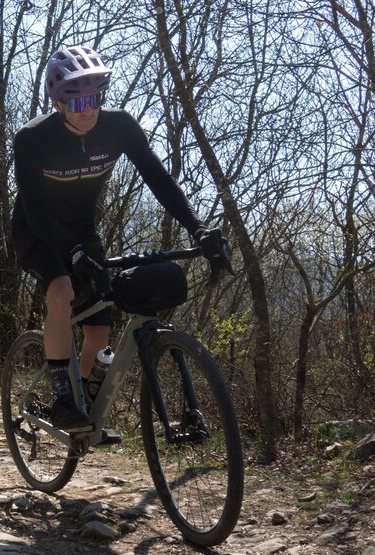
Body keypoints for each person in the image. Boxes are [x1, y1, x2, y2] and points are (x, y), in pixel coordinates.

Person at [11, 44, 225, 431]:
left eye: (94, 98)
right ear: (58, 104)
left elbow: (158, 179)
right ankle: (62, 400)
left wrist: (199, 228)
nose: (88, 110)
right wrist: (71, 253)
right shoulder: (32, 139)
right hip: (37, 229)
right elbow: (35, 210)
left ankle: (87, 404)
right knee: (60, 291)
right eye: (77, 103)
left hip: (82, 229)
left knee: (99, 325)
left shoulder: (120, 126)